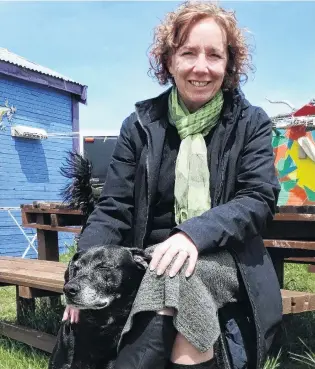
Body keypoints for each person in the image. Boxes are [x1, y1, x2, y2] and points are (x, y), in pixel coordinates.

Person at [63, 1, 282, 368]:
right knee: (167, 273)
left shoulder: (252, 124)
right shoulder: (140, 125)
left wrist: (191, 235)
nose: (201, 66)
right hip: (150, 259)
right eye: (188, 53)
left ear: (228, 65)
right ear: (168, 61)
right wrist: (81, 272)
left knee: (177, 276)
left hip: (230, 258)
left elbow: (258, 199)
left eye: (214, 55)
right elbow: (114, 207)